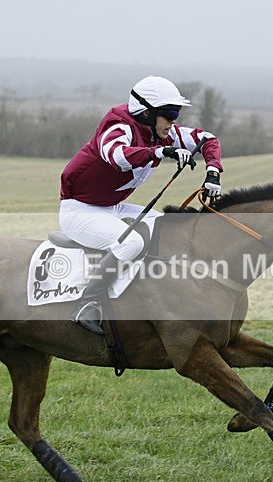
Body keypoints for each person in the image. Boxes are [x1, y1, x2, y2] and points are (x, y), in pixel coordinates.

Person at [59, 75, 224, 334]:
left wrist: (213, 171)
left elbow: (207, 139)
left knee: (165, 227)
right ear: (146, 113)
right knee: (132, 242)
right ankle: (87, 304)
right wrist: (160, 152)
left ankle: (155, 295)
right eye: (169, 113)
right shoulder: (117, 125)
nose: (173, 121)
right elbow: (117, 156)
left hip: (110, 207)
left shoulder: (158, 131)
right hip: (79, 210)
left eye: (176, 113)